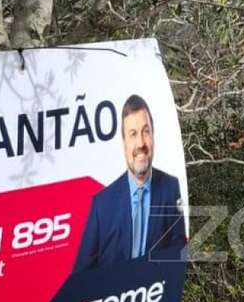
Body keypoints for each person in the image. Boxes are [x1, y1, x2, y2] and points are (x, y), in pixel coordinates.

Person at [75, 94, 187, 271]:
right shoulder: (102, 205)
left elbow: (178, 254)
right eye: (133, 134)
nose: (141, 143)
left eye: (146, 131)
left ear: (153, 136)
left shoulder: (170, 188)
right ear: (124, 142)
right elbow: (81, 275)